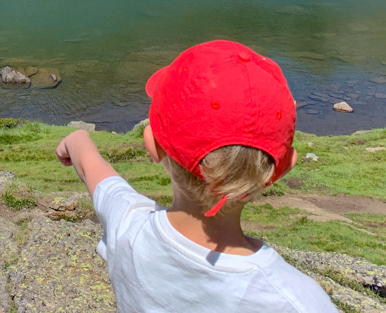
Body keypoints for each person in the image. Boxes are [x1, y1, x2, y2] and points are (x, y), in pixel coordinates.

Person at [55, 40, 338, 313]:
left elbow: (94, 170)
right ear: (283, 167)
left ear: (153, 146)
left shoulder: (128, 226)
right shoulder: (296, 300)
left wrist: (75, 139)